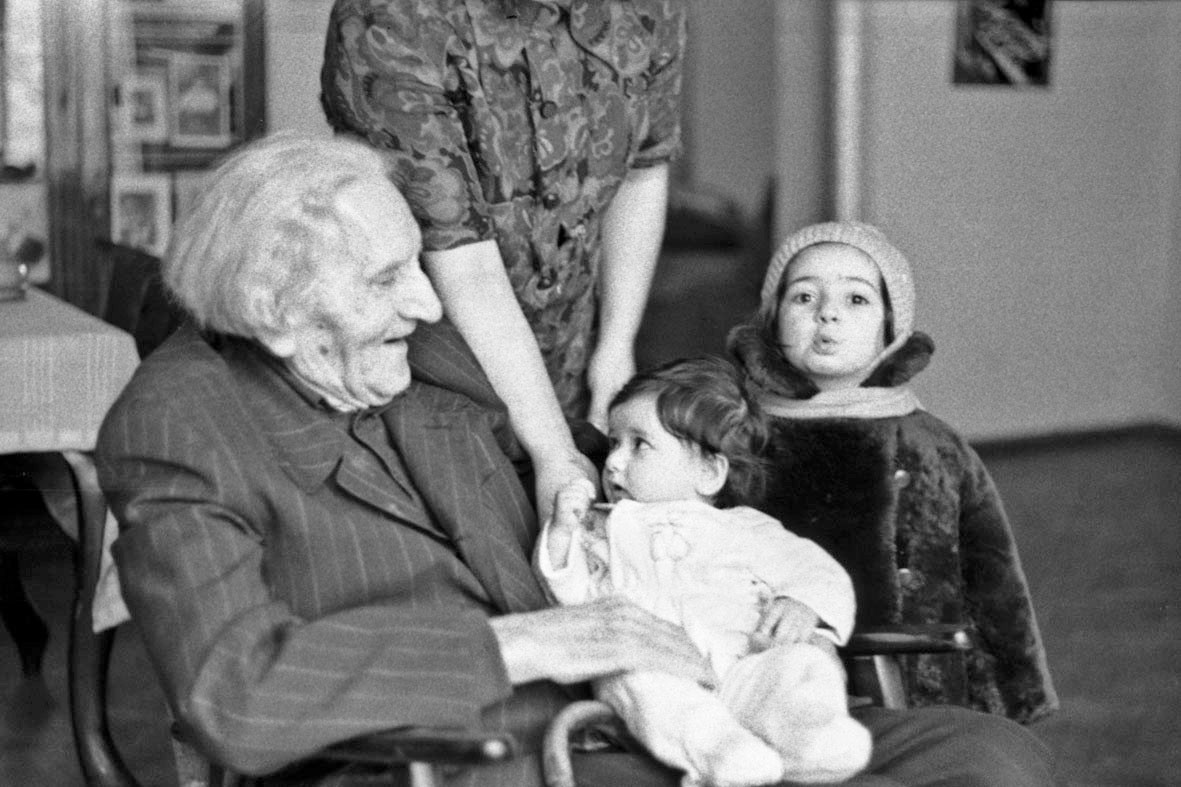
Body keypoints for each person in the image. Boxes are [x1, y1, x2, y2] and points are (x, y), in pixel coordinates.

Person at [96, 134, 1057, 786]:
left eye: (418, 267)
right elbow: (234, 692)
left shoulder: (414, 349)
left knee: (988, 758)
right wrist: (536, 644)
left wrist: (761, 563)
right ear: (278, 308)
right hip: (457, 756)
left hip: (640, 707)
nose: (428, 305)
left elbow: (620, 468)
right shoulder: (181, 420)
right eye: (387, 280)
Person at [320, 0, 686, 520]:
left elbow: (643, 171)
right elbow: (466, 268)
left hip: (571, 364)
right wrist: (555, 452)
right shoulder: (391, 16)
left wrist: (615, 346)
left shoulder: (652, 9)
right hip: (430, 372)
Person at [727, 221, 1059, 724]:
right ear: (772, 320)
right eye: (804, 297)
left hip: (920, 678)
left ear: (890, 327)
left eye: (856, 299)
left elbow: (992, 575)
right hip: (776, 681)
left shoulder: (933, 443)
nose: (828, 313)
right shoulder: (740, 439)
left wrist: (1014, 695)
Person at [535, 357, 872, 785]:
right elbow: (570, 596)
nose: (614, 462)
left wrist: (804, 604)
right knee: (632, 679)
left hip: (744, 667)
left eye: (639, 445)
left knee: (801, 663)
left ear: (709, 472)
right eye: (614, 443)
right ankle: (722, 755)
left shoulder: (746, 528)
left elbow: (817, 572)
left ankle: (810, 739)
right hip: (659, 671)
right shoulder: (603, 528)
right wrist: (561, 533)